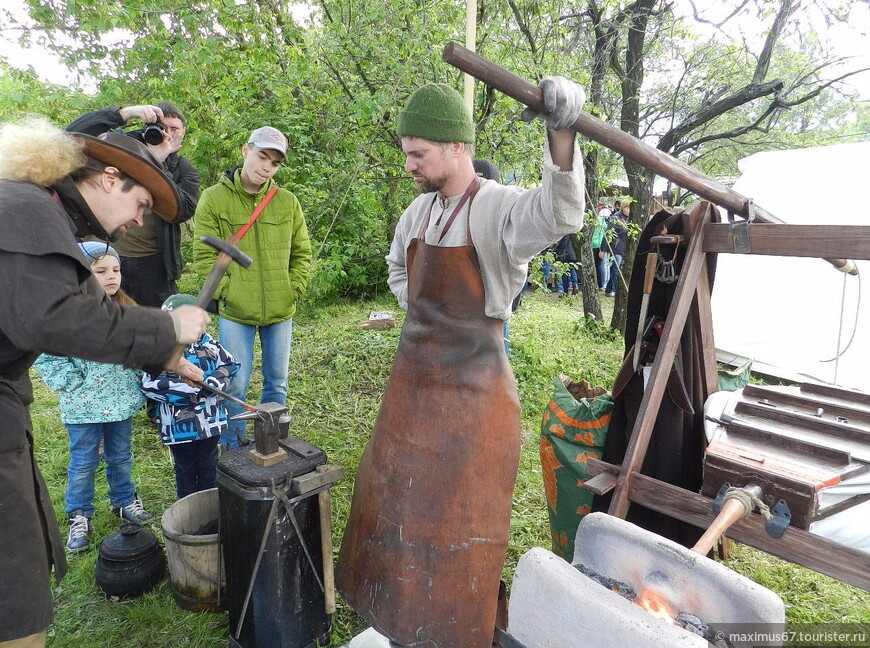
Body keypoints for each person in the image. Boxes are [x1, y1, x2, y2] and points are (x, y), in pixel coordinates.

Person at [336, 78, 585, 648]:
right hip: (410, 390)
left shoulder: (497, 208)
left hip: (475, 398)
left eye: (417, 153)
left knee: (459, 529)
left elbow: (559, 214)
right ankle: (403, 623)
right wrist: (418, 311)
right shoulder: (417, 213)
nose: (409, 165)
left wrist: (562, 133)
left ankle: (457, 629)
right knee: (397, 516)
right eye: (406, 153)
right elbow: (399, 269)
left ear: (457, 147)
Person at [0, 117, 210, 647]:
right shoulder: (27, 209)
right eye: (140, 205)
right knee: (14, 590)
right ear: (110, 178)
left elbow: (88, 308)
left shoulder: (39, 212)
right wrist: (168, 327)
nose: (136, 223)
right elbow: (53, 319)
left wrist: (166, 357)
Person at [192, 126, 312, 448]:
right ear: (246, 151)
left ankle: (271, 445)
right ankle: (233, 449)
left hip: (280, 309)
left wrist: (293, 288)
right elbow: (204, 255)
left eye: (274, 163)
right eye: (262, 156)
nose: (266, 167)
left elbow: (302, 252)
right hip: (236, 311)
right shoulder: (214, 198)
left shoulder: (287, 202)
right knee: (234, 382)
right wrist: (228, 292)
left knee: (277, 383)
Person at [33, 242, 155, 555]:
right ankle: (79, 514)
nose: (111, 276)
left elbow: (141, 349)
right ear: (82, 275)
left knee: (120, 454)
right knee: (83, 461)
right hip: (83, 406)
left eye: (115, 269)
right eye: (100, 271)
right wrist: (73, 383)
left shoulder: (127, 310)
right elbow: (46, 355)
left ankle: (125, 500)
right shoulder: (67, 316)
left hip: (120, 402)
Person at [67, 103, 201, 307]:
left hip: (152, 264)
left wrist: (157, 164)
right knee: (102, 323)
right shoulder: (120, 146)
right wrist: (124, 113)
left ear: (183, 133)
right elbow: (68, 138)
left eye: (175, 129)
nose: (168, 134)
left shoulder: (183, 168)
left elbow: (182, 211)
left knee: (153, 328)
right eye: (162, 127)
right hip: (103, 255)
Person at [141, 294, 240, 499]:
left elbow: (231, 365)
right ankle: (188, 510)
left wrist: (215, 381)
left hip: (211, 424)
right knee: (185, 470)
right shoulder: (160, 351)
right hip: (178, 430)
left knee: (209, 465)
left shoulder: (210, 345)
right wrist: (191, 391)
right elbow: (149, 384)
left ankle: (211, 506)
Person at [604, 201, 630, 297]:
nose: (629, 210)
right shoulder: (616, 217)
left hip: (625, 249)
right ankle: (615, 290)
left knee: (618, 270)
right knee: (616, 270)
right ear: (623, 207)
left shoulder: (630, 219)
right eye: (628, 208)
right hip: (616, 247)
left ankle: (609, 289)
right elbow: (608, 233)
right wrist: (604, 249)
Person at [593, 206, 611, 290]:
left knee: (599, 265)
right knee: (601, 265)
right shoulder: (602, 221)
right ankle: (602, 283)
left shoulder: (596, 219)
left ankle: (600, 283)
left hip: (593, 245)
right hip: (599, 244)